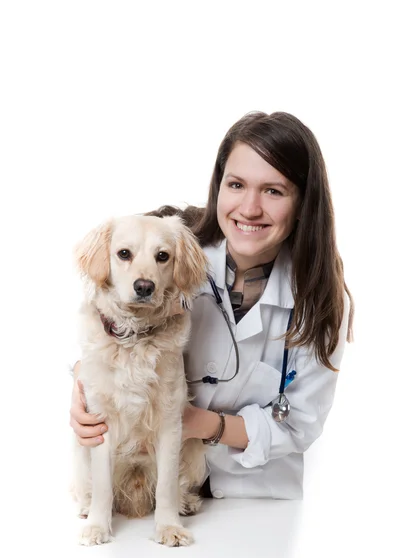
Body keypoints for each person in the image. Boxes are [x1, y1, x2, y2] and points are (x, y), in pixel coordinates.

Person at [70, 111, 354, 500]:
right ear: (218, 186)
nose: (249, 208)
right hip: (147, 487)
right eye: (236, 185)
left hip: (251, 496)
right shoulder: (174, 248)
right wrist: (84, 383)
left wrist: (199, 424)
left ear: (304, 202)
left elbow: (299, 424)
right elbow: (107, 310)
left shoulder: (319, 298)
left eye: (274, 191)